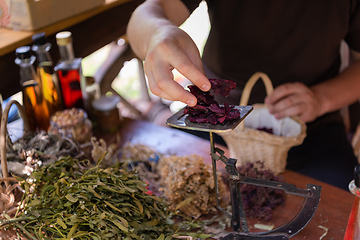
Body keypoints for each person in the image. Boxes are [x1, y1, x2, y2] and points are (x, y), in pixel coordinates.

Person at [127, 0, 360, 190]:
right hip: (216, 123)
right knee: (160, 186)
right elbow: (146, 14)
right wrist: (156, 33)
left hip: (310, 131)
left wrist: (322, 98)